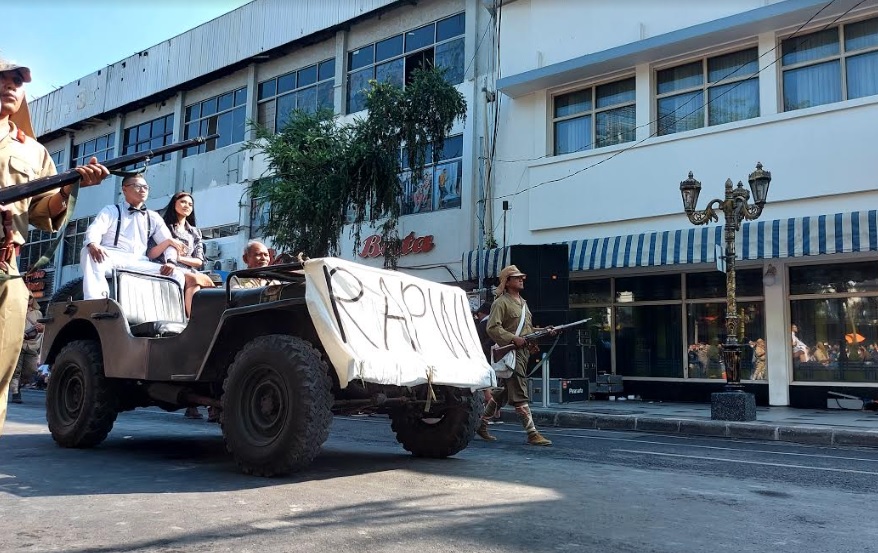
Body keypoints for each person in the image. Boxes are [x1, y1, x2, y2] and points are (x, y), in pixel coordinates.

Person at [0, 58, 109, 436]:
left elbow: (42, 210)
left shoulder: (32, 151)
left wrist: (68, 189)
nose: (10, 86)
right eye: (2, 78)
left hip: (6, 266)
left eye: (17, 81)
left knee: (0, 373)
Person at [476, 265, 554, 446]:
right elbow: (493, 328)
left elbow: (527, 331)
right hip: (511, 353)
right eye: (516, 277)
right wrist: (512, 338)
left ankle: (482, 424)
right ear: (507, 281)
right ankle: (532, 433)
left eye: (521, 277)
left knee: (501, 393)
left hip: (523, 353)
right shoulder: (500, 303)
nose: (521, 279)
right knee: (519, 391)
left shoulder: (523, 303)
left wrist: (545, 331)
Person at [80, 173, 184, 300]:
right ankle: (96, 301)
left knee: (176, 274)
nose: (143, 190)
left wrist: (171, 262)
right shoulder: (111, 210)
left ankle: (173, 315)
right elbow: (95, 228)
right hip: (112, 258)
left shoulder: (153, 217)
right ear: (124, 189)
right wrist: (93, 243)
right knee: (87, 251)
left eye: (146, 187)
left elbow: (169, 242)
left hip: (139, 261)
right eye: (137, 186)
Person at [148, 191, 214, 317]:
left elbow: (199, 261)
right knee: (194, 279)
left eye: (190, 204)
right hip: (165, 268)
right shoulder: (162, 227)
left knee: (208, 282)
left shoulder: (195, 232)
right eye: (183, 202)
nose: (187, 206)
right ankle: (192, 320)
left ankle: (207, 319)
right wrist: (168, 243)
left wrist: (179, 258)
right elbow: (151, 254)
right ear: (174, 204)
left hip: (188, 269)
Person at [9, 296, 43, 404]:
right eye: (27, 297)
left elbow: (43, 330)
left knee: (31, 371)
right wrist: (18, 333)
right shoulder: (16, 311)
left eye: (31, 297)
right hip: (18, 344)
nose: (29, 299)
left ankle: (17, 385)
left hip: (33, 345)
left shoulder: (38, 313)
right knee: (16, 371)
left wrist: (41, 328)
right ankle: (15, 392)